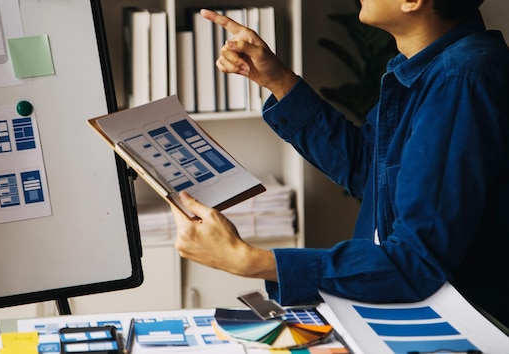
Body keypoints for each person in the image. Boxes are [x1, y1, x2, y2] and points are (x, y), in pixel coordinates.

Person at [171, 0, 509, 328]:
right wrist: (277, 80)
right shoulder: (431, 68)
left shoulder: (459, 80)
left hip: (454, 326)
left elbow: (417, 263)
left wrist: (250, 260)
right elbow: (369, 168)